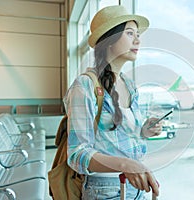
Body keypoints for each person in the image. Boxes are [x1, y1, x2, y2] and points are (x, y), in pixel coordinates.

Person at [63, 5, 161, 199]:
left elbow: (120, 136)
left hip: (136, 185)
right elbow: (77, 154)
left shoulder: (129, 84)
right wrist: (126, 165)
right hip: (104, 190)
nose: (137, 39)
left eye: (138, 34)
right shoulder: (85, 85)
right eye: (129, 33)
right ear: (109, 39)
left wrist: (144, 130)